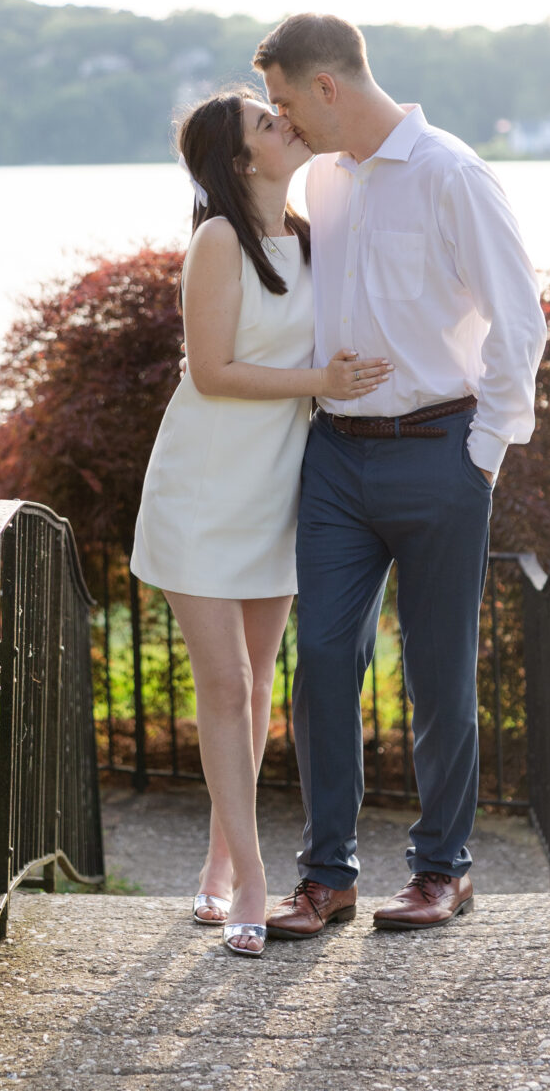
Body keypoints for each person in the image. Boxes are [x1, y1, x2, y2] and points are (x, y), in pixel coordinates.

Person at [254, 13, 547, 938]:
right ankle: (325, 877)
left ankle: (440, 870)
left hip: (440, 452)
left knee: (437, 673)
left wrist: (484, 452)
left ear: (327, 87)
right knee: (325, 661)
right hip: (335, 455)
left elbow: (519, 320)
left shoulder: (451, 174)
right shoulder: (326, 181)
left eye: (284, 99)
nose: (282, 119)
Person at [130, 87, 391, 956]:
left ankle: (216, 858)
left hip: (279, 489)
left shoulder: (313, 235)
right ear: (241, 160)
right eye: (263, 121)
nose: (283, 122)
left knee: (255, 685)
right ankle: (249, 877)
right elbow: (210, 372)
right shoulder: (216, 241)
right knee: (229, 688)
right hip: (204, 489)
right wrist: (322, 383)